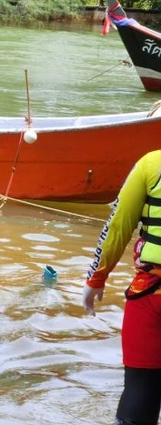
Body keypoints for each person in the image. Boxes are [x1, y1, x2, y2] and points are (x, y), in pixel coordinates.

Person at [82, 149, 161, 425]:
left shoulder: (151, 164)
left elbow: (118, 226)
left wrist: (97, 278)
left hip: (150, 294)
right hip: (150, 293)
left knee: (139, 389)